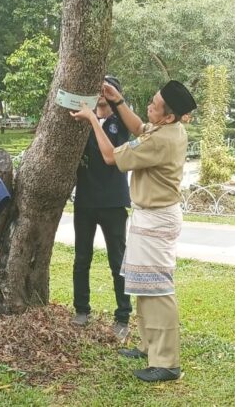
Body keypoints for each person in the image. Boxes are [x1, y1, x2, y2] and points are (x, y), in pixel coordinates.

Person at [71, 79, 197, 383]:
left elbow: (112, 157)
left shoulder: (162, 140)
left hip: (156, 220)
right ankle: (148, 345)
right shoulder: (166, 129)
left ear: (169, 116)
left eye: (155, 104)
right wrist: (117, 101)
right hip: (147, 218)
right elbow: (140, 127)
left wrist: (92, 119)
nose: (149, 106)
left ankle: (167, 361)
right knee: (142, 284)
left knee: (159, 290)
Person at [71, 76, 132, 341]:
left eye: (107, 90)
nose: (101, 94)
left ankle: (123, 316)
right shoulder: (82, 121)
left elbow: (111, 158)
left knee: (117, 260)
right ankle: (81, 310)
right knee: (81, 258)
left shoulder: (120, 124)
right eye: (98, 89)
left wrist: (98, 117)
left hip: (113, 202)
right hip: (85, 200)